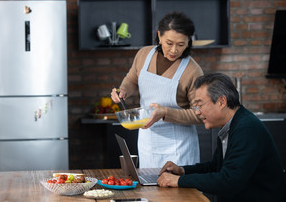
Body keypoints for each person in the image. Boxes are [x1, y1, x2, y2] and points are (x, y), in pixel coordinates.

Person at [157, 73, 286, 202]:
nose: (197, 112)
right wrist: (182, 170)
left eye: (200, 105)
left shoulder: (247, 128)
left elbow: (229, 181)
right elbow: (216, 167)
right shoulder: (232, 124)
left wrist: (180, 181)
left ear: (221, 102)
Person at [111, 12, 204, 168]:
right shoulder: (143, 55)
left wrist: (166, 113)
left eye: (181, 44)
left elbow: (200, 114)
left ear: (189, 42)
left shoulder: (192, 71)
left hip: (179, 148)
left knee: (179, 192)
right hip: (148, 142)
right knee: (150, 190)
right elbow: (132, 80)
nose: (174, 50)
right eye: (169, 43)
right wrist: (124, 90)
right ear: (159, 36)